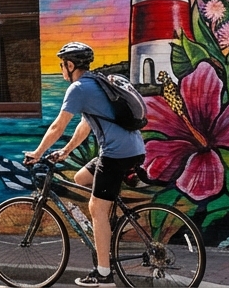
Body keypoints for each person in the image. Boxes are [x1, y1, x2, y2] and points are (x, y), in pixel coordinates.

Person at [25, 42, 146, 287]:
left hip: (116, 154)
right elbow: (86, 124)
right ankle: (106, 228)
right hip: (134, 149)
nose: (61, 69)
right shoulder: (96, 82)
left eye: (62, 65)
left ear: (70, 65)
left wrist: (37, 153)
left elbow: (57, 126)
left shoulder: (78, 88)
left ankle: (104, 273)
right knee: (80, 178)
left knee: (96, 209)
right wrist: (66, 151)